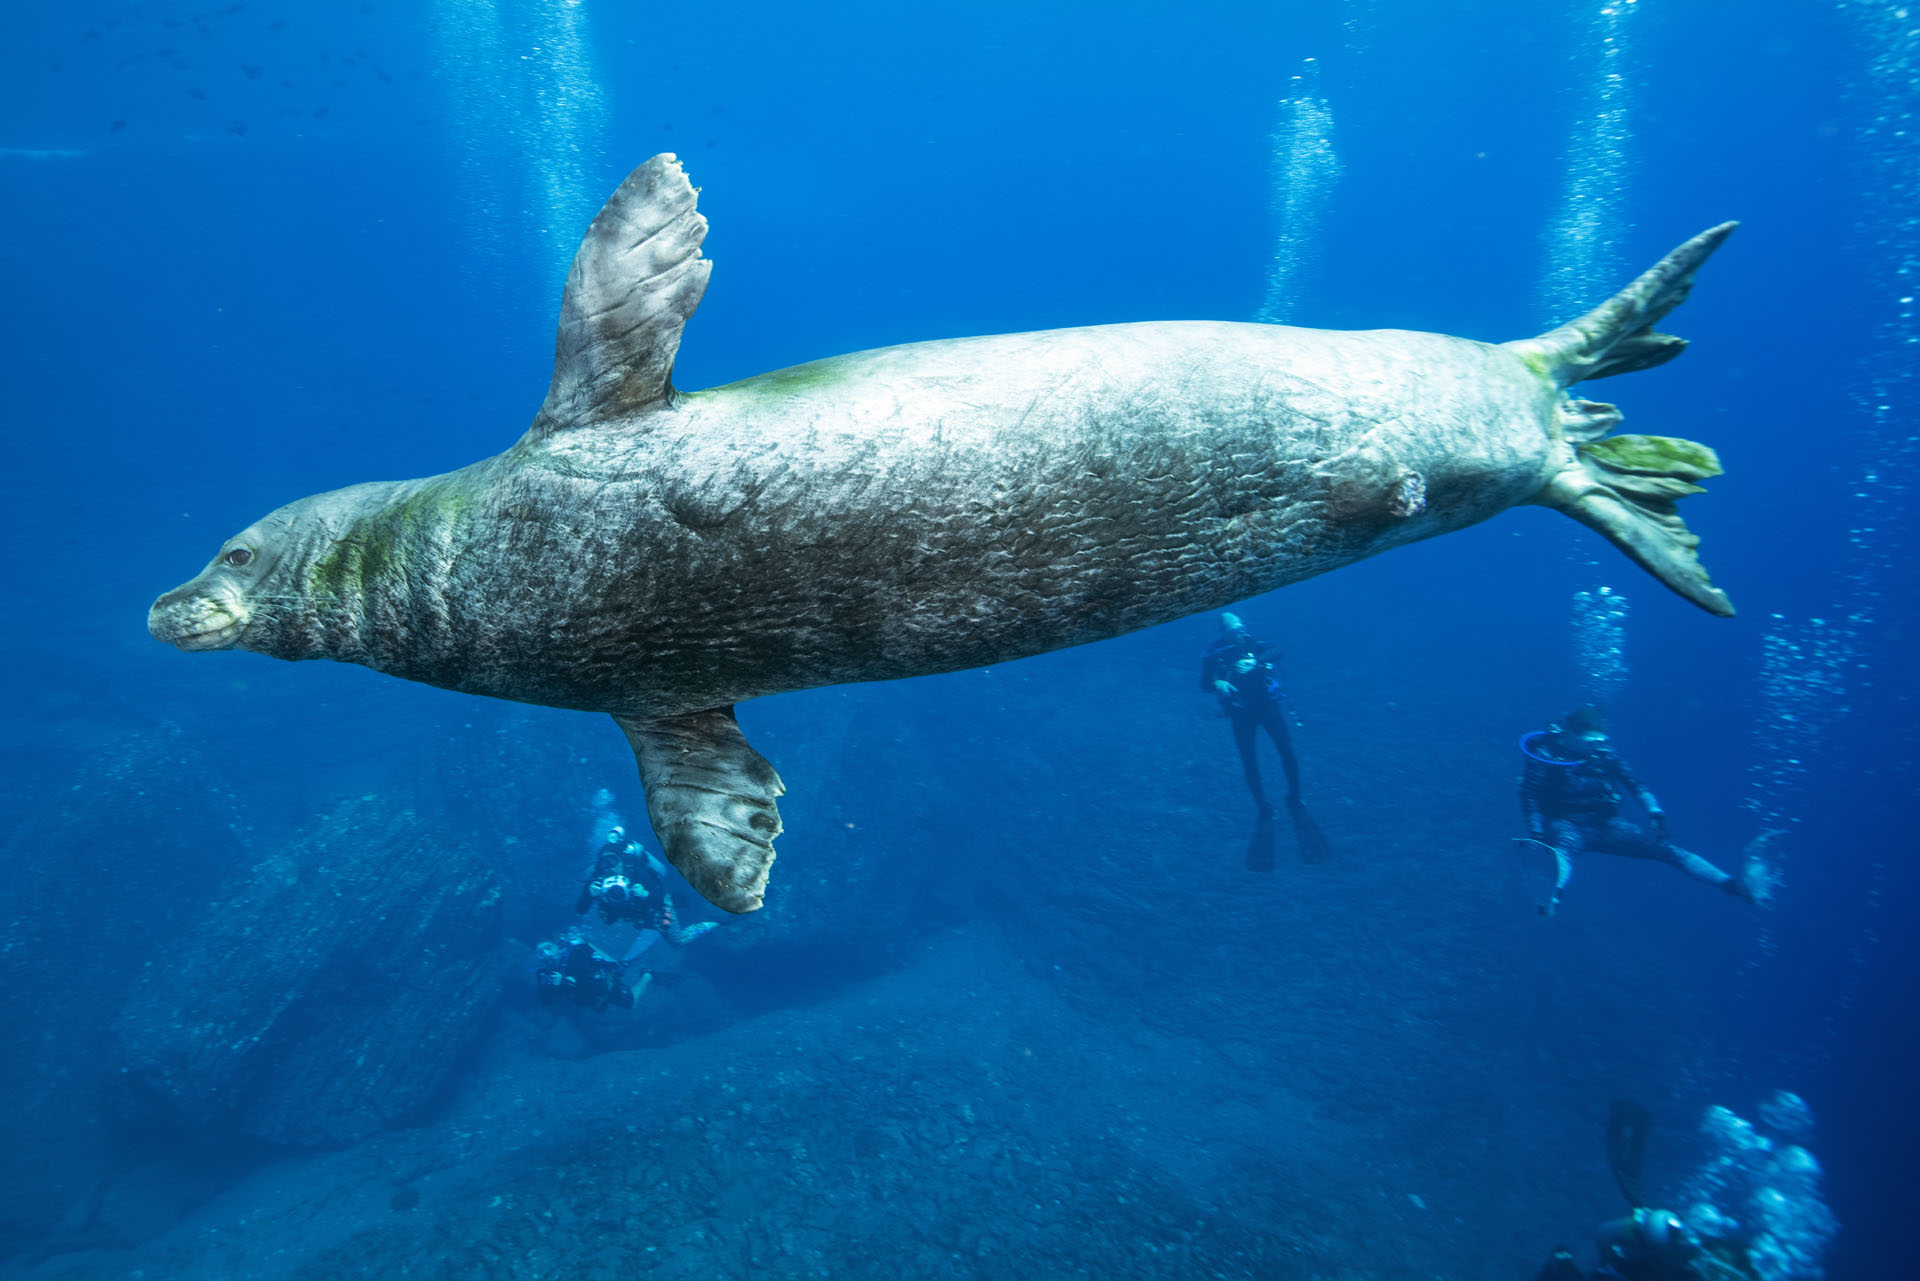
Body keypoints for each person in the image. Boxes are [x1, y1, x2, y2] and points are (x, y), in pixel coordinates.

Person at [1517, 707, 1757, 915]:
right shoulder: (1545, 755)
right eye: (1590, 742)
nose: (1596, 747)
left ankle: (1733, 885)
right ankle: (1553, 893)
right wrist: (1537, 833)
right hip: (1564, 821)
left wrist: (1656, 812)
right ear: (1570, 733)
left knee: (1666, 851)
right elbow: (1530, 795)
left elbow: (1636, 785)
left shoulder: (1604, 754)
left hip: (1606, 823)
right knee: (1563, 848)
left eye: (1600, 742)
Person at [1201, 612, 1329, 866]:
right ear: (1224, 633)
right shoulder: (1216, 652)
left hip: (1267, 707)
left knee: (1287, 752)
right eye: (1233, 630)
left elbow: (1276, 651)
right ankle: (1263, 807)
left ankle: (1294, 798)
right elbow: (1204, 683)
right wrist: (1219, 685)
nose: (1239, 632)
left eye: (1241, 627)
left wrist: (1255, 662)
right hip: (1240, 712)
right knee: (1250, 761)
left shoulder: (1252, 644)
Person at [576, 827, 677, 934]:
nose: (610, 868)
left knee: (678, 940)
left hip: (657, 915)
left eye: (613, 861)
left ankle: (697, 928)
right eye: (605, 863)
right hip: (639, 919)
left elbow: (662, 901)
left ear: (621, 862)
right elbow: (580, 910)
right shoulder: (597, 880)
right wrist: (589, 894)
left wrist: (645, 894)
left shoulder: (635, 873)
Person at [534, 938, 648, 1012]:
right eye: (541, 953)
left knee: (631, 1003)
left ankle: (648, 974)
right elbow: (546, 1001)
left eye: (548, 948)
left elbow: (586, 980)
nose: (546, 954)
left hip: (606, 988)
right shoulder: (548, 974)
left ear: (557, 947)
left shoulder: (575, 954)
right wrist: (545, 985)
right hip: (593, 999)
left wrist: (563, 981)